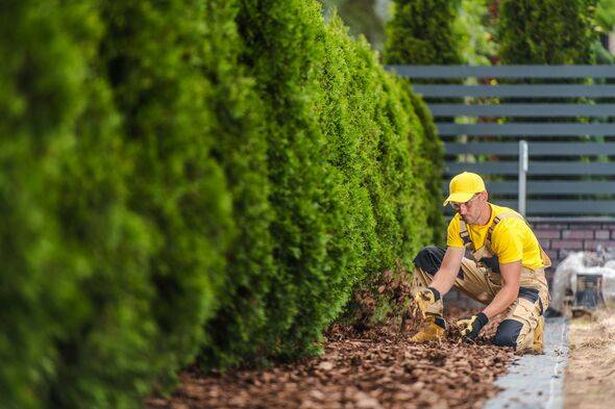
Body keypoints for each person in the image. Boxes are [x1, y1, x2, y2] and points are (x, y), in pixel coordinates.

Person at [410, 171, 551, 354]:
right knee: (428, 256)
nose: (462, 210)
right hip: (491, 280)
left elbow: (511, 287)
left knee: (506, 341)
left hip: (525, 288)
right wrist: (432, 292)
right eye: (456, 205)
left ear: (483, 197)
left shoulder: (507, 227)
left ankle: (533, 327)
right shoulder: (459, 223)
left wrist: (480, 320)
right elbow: (447, 270)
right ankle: (434, 327)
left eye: (466, 203)